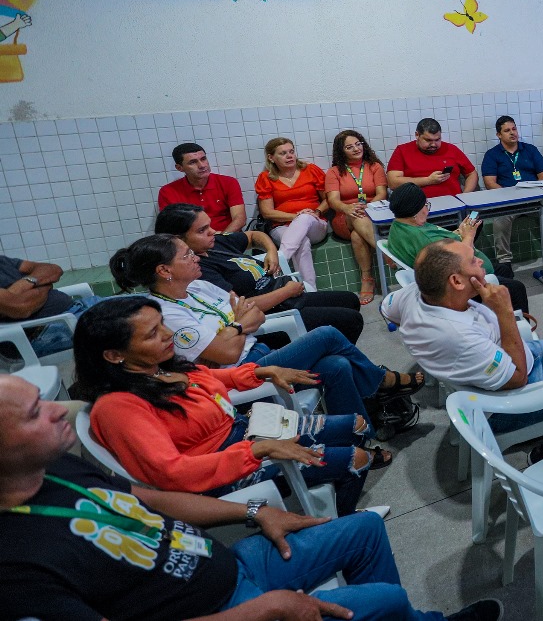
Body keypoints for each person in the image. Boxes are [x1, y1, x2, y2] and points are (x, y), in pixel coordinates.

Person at [0, 373, 503, 621]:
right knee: (387, 599)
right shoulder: (18, 566)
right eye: (34, 414)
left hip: (231, 563)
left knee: (365, 529)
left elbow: (152, 498)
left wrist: (256, 510)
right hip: (225, 607)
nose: (59, 411)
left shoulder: (55, 467)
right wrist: (261, 611)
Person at [69, 297, 384, 515]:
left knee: (355, 425)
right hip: (218, 474)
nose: (168, 335)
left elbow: (212, 376)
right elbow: (171, 473)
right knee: (355, 458)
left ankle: (329, 503)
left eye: (163, 324)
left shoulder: (158, 368)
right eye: (153, 333)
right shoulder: (118, 408)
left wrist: (260, 370)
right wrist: (256, 452)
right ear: (114, 355)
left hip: (246, 433)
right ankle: (338, 522)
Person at [108, 235, 424, 431]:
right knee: (327, 334)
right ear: (164, 271)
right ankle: (379, 379)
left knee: (337, 366)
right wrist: (240, 325)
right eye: (186, 255)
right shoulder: (166, 312)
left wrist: (239, 326)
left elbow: (252, 311)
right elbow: (226, 353)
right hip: (241, 374)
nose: (194, 256)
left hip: (256, 348)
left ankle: (359, 438)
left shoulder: (198, 287)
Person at [382, 239, 543, 445]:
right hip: (505, 404)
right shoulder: (458, 336)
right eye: (472, 260)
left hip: (509, 359)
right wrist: (504, 310)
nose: (480, 260)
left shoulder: (417, 292)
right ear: (456, 281)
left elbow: (387, 308)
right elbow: (518, 378)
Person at [155, 203, 365, 345]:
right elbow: (238, 309)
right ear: (177, 239)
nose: (212, 232)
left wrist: (272, 252)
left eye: (209, 226)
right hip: (269, 315)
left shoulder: (216, 243)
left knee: (349, 300)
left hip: (282, 297)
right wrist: (287, 292)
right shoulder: (198, 270)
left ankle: (342, 356)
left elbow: (255, 234)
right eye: (202, 230)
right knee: (350, 320)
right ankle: (336, 362)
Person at [385, 183, 530, 315]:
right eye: (425, 205)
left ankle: (497, 311)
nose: (427, 210)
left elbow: (442, 247)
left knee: (504, 270)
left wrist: (458, 233)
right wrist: (468, 236)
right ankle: (518, 334)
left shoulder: (397, 226)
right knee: (517, 289)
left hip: (442, 275)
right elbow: (458, 263)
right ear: (414, 211)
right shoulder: (424, 238)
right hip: (458, 283)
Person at [480, 116, 543, 279]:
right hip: (509, 201)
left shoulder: (530, 150)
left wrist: (535, 193)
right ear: (499, 135)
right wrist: (510, 196)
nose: (512, 133)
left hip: (534, 198)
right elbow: (490, 183)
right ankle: (504, 261)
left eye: (514, 129)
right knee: (500, 220)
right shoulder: (492, 155)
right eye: (507, 130)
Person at [254, 137, 329, 291]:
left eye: (291, 152)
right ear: (271, 158)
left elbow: (328, 199)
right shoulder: (266, 178)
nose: (289, 156)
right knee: (302, 242)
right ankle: (310, 291)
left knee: (305, 218)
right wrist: (296, 216)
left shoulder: (311, 170)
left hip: (315, 224)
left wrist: (315, 212)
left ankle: (280, 260)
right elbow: (267, 212)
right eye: (283, 153)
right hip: (282, 227)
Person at [325, 130, 388, 305]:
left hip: (373, 212)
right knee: (357, 217)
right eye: (349, 147)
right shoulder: (334, 172)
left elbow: (382, 194)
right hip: (344, 217)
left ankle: (367, 279)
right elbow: (333, 201)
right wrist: (347, 208)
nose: (355, 149)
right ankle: (387, 253)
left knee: (357, 235)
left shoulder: (374, 166)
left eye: (358, 144)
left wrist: (367, 208)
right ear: (341, 151)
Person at [0, 254, 102, 357]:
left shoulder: (2, 261)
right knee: (117, 323)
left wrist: (25, 284)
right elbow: (23, 307)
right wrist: (45, 285)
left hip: (78, 308)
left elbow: (53, 269)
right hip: (42, 333)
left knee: (118, 304)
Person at [157, 142, 246, 233]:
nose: (202, 165)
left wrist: (222, 238)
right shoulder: (167, 192)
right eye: (193, 162)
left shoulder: (228, 182)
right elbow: (170, 228)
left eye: (203, 159)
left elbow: (240, 219)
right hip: (192, 244)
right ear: (180, 168)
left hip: (228, 238)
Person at [387, 117, 479, 197]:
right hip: (417, 208)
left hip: (454, 205)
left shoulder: (451, 149)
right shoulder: (402, 151)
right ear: (417, 135)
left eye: (437, 139)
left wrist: (465, 195)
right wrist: (428, 180)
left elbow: (472, 174)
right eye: (428, 140)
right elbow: (393, 183)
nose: (433, 144)